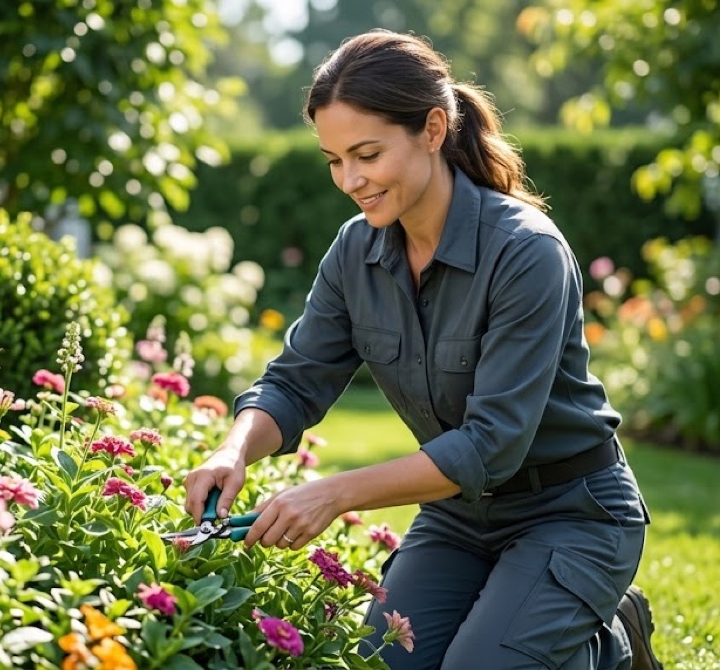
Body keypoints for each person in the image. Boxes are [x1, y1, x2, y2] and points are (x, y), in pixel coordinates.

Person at [183, 29, 664, 670]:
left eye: (367, 154)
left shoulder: (526, 251)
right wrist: (233, 447)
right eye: (334, 160)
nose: (350, 179)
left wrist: (335, 493)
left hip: (572, 512)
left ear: (433, 129)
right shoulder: (356, 251)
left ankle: (611, 644)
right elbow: (295, 382)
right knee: (384, 660)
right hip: (458, 516)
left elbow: (491, 444)